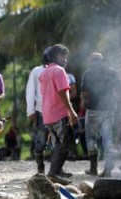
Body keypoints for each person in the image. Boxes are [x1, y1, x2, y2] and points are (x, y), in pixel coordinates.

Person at [39, 44, 78, 185]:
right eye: (63, 56)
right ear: (55, 56)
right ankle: (53, 173)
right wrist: (71, 112)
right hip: (59, 113)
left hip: (48, 114)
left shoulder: (44, 72)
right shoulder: (59, 71)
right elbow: (62, 93)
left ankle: (58, 170)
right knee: (65, 144)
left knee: (57, 145)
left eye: (66, 56)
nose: (65, 59)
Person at [81, 52, 121, 177]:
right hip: (109, 109)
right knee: (107, 137)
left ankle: (93, 168)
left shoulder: (88, 74)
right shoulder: (112, 72)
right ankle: (108, 168)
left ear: (91, 61)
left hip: (93, 109)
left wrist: (84, 103)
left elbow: (84, 92)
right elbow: (119, 90)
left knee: (91, 138)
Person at [25, 46, 51, 173]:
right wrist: (30, 110)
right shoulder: (36, 71)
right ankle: (41, 169)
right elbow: (30, 91)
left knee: (59, 141)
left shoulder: (58, 70)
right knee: (41, 140)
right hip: (41, 111)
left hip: (56, 111)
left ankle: (56, 170)